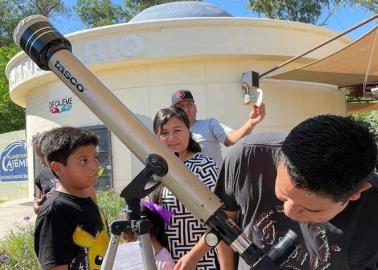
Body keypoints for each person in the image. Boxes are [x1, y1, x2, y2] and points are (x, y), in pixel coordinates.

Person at [213, 115, 378, 270]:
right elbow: (225, 219)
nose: (288, 211)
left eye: (310, 209)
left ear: (356, 193)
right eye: (283, 194)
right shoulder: (248, 158)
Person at [151, 107, 220, 270]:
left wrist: (192, 257)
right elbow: (146, 215)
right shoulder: (156, 170)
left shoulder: (205, 166)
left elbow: (222, 223)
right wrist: (158, 251)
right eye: (164, 133)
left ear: (189, 131)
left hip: (202, 262)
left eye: (178, 130)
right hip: (167, 264)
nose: (171, 138)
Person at [34, 127, 109, 270]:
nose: (95, 166)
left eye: (95, 157)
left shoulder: (88, 200)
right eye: (83, 161)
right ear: (58, 168)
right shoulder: (55, 212)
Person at [171, 89, 265, 167]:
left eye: (189, 105)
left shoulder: (209, 124)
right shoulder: (168, 133)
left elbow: (231, 138)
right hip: (181, 186)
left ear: (195, 108)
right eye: (181, 106)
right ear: (173, 111)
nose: (186, 109)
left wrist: (250, 123)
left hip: (212, 185)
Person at [123, 200, 176, 270]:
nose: (126, 243)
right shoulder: (140, 257)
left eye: (131, 234)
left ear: (144, 228)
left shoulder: (164, 264)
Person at [32, 132, 59, 214]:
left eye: (43, 155)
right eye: (38, 156)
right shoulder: (42, 176)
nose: (41, 161)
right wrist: (36, 206)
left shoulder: (71, 173)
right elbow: (38, 199)